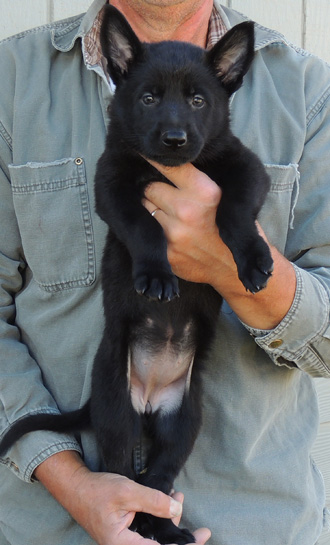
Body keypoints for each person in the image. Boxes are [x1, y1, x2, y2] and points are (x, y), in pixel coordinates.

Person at [0, 0, 329, 543]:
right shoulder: (13, 82)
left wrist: (230, 260)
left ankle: (158, 493)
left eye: (196, 99)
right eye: (151, 97)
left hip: (260, 523)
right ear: (121, 69)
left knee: (180, 421)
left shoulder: (308, 91)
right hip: (51, 523)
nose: (176, 122)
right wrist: (70, 480)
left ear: (226, 84)